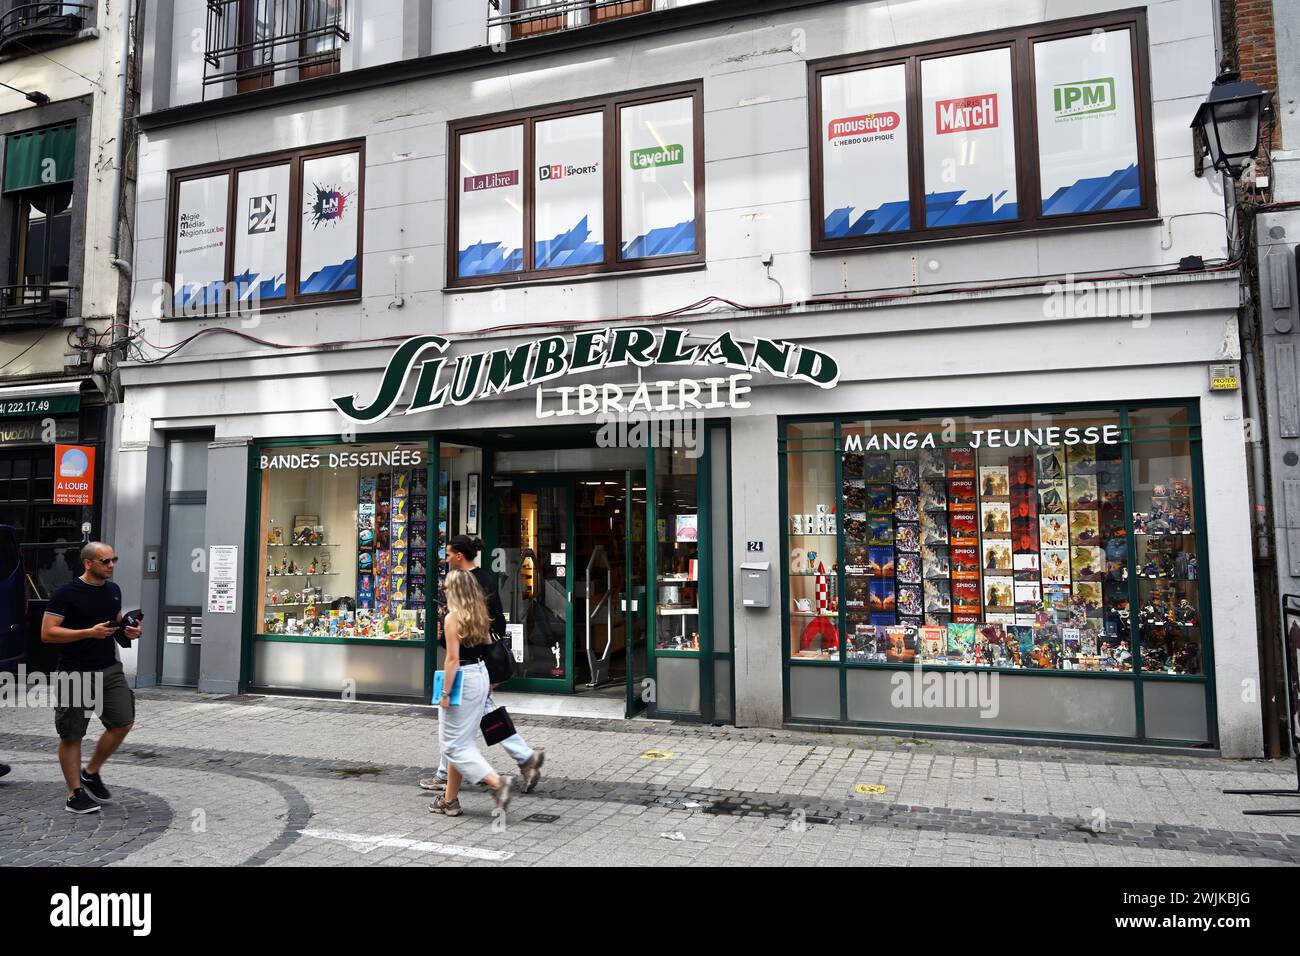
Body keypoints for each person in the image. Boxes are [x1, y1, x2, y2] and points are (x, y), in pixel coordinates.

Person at [421, 534, 544, 794]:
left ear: (458, 556)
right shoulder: (482, 578)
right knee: (485, 717)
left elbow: (490, 627)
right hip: (476, 666)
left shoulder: (473, 581)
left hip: (473, 666)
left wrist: (486, 669)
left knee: (459, 722)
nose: (445, 558)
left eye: (448, 553)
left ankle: (450, 775)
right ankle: (523, 757)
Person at [41, 541, 141, 814]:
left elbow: (116, 624)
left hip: (109, 669)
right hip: (75, 671)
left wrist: (128, 631)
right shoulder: (66, 593)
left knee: (123, 722)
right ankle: (74, 793)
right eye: (105, 561)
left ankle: (91, 771)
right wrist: (88, 632)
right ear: (88, 563)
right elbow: (48, 633)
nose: (111, 566)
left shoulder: (113, 590)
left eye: (113, 560)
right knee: (72, 734)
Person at [428, 569, 512, 817]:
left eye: (447, 587)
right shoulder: (479, 614)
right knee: (463, 742)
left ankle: (498, 784)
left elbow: (452, 659)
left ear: (455, 591)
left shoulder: (453, 618)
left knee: (452, 746)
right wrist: (491, 681)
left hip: (461, 680)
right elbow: (488, 648)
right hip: (480, 675)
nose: (443, 590)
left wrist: (444, 693)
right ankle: (450, 800)